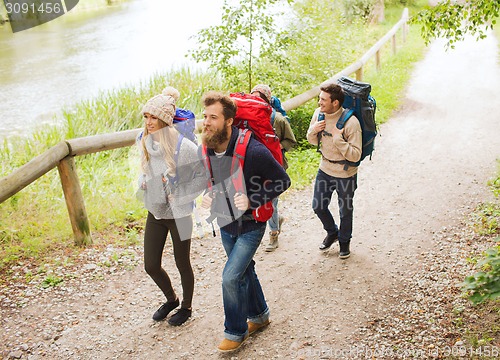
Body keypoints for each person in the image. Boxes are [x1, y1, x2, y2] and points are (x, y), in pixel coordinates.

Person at [199, 91, 291, 352]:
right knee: (244, 271)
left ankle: (235, 331)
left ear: (229, 121)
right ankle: (260, 316)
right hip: (225, 223)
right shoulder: (209, 145)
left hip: (251, 225)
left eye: (213, 117)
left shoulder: (253, 150)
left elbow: (283, 181)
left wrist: (253, 199)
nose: (206, 122)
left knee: (230, 277)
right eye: (205, 116)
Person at [137, 88, 205, 326]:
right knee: (151, 265)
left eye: (153, 117)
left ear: (165, 119)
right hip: (155, 211)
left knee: (182, 262)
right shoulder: (145, 141)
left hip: (180, 214)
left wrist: (184, 195)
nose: (148, 122)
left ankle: (186, 306)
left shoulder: (184, 147)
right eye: (146, 117)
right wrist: (144, 183)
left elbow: (203, 177)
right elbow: (144, 170)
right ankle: (171, 299)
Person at [306, 83, 362, 259]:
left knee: (345, 210)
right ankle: (332, 232)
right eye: (319, 98)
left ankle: (344, 242)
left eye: (323, 99)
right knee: (318, 206)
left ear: (335, 103)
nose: (319, 102)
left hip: (345, 173)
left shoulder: (351, 123)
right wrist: (313, 131)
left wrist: (339, 140)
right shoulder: (318, 114)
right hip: (325, 169)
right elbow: (313, 142)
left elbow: (356, 155)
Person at [250, 84, 297, 252]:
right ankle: (277, 220)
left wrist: (275, 146)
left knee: (272, 201)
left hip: (276, 166)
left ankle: (274, 234)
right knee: (265, 201)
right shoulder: (250, 119)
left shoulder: (278, 120)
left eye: (259, 97)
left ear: (267, 100)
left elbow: (291, 142)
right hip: (257, 166)